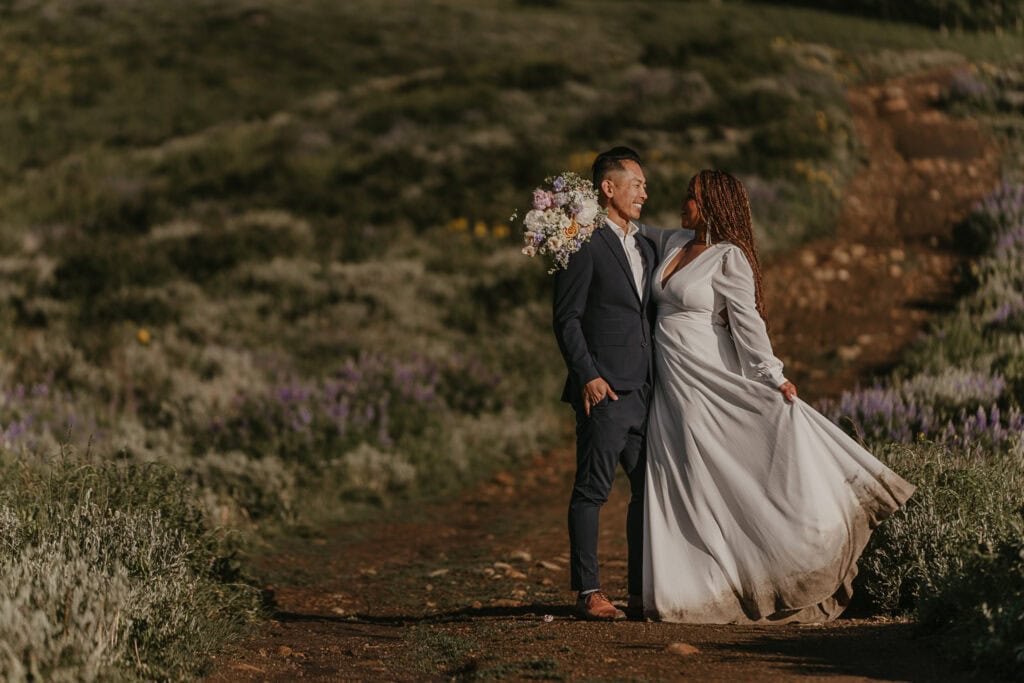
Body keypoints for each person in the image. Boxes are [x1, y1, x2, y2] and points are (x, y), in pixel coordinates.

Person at [642, 169, 915, 623]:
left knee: (713, 472)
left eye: (691, 197)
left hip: (708, 380)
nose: (682, 203)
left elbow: (747, 325)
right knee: (676, 474)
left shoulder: (729, 257)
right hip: (670, 381)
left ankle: (778, 565)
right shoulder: (672, 243)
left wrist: (773, 376)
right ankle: (690, 588)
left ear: (712, 204)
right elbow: (627, 229)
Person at [552, 147, 692, 620]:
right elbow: (566, 318)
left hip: (645, 390)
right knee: (592, 489)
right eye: (637, 183)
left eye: (646, 185)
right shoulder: (582, 240)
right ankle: (588, 592)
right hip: (604, 391)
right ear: (608, 188)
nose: (645, 193)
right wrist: (587, 375)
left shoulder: (648, 244)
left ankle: (639, 590)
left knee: (648, 491)